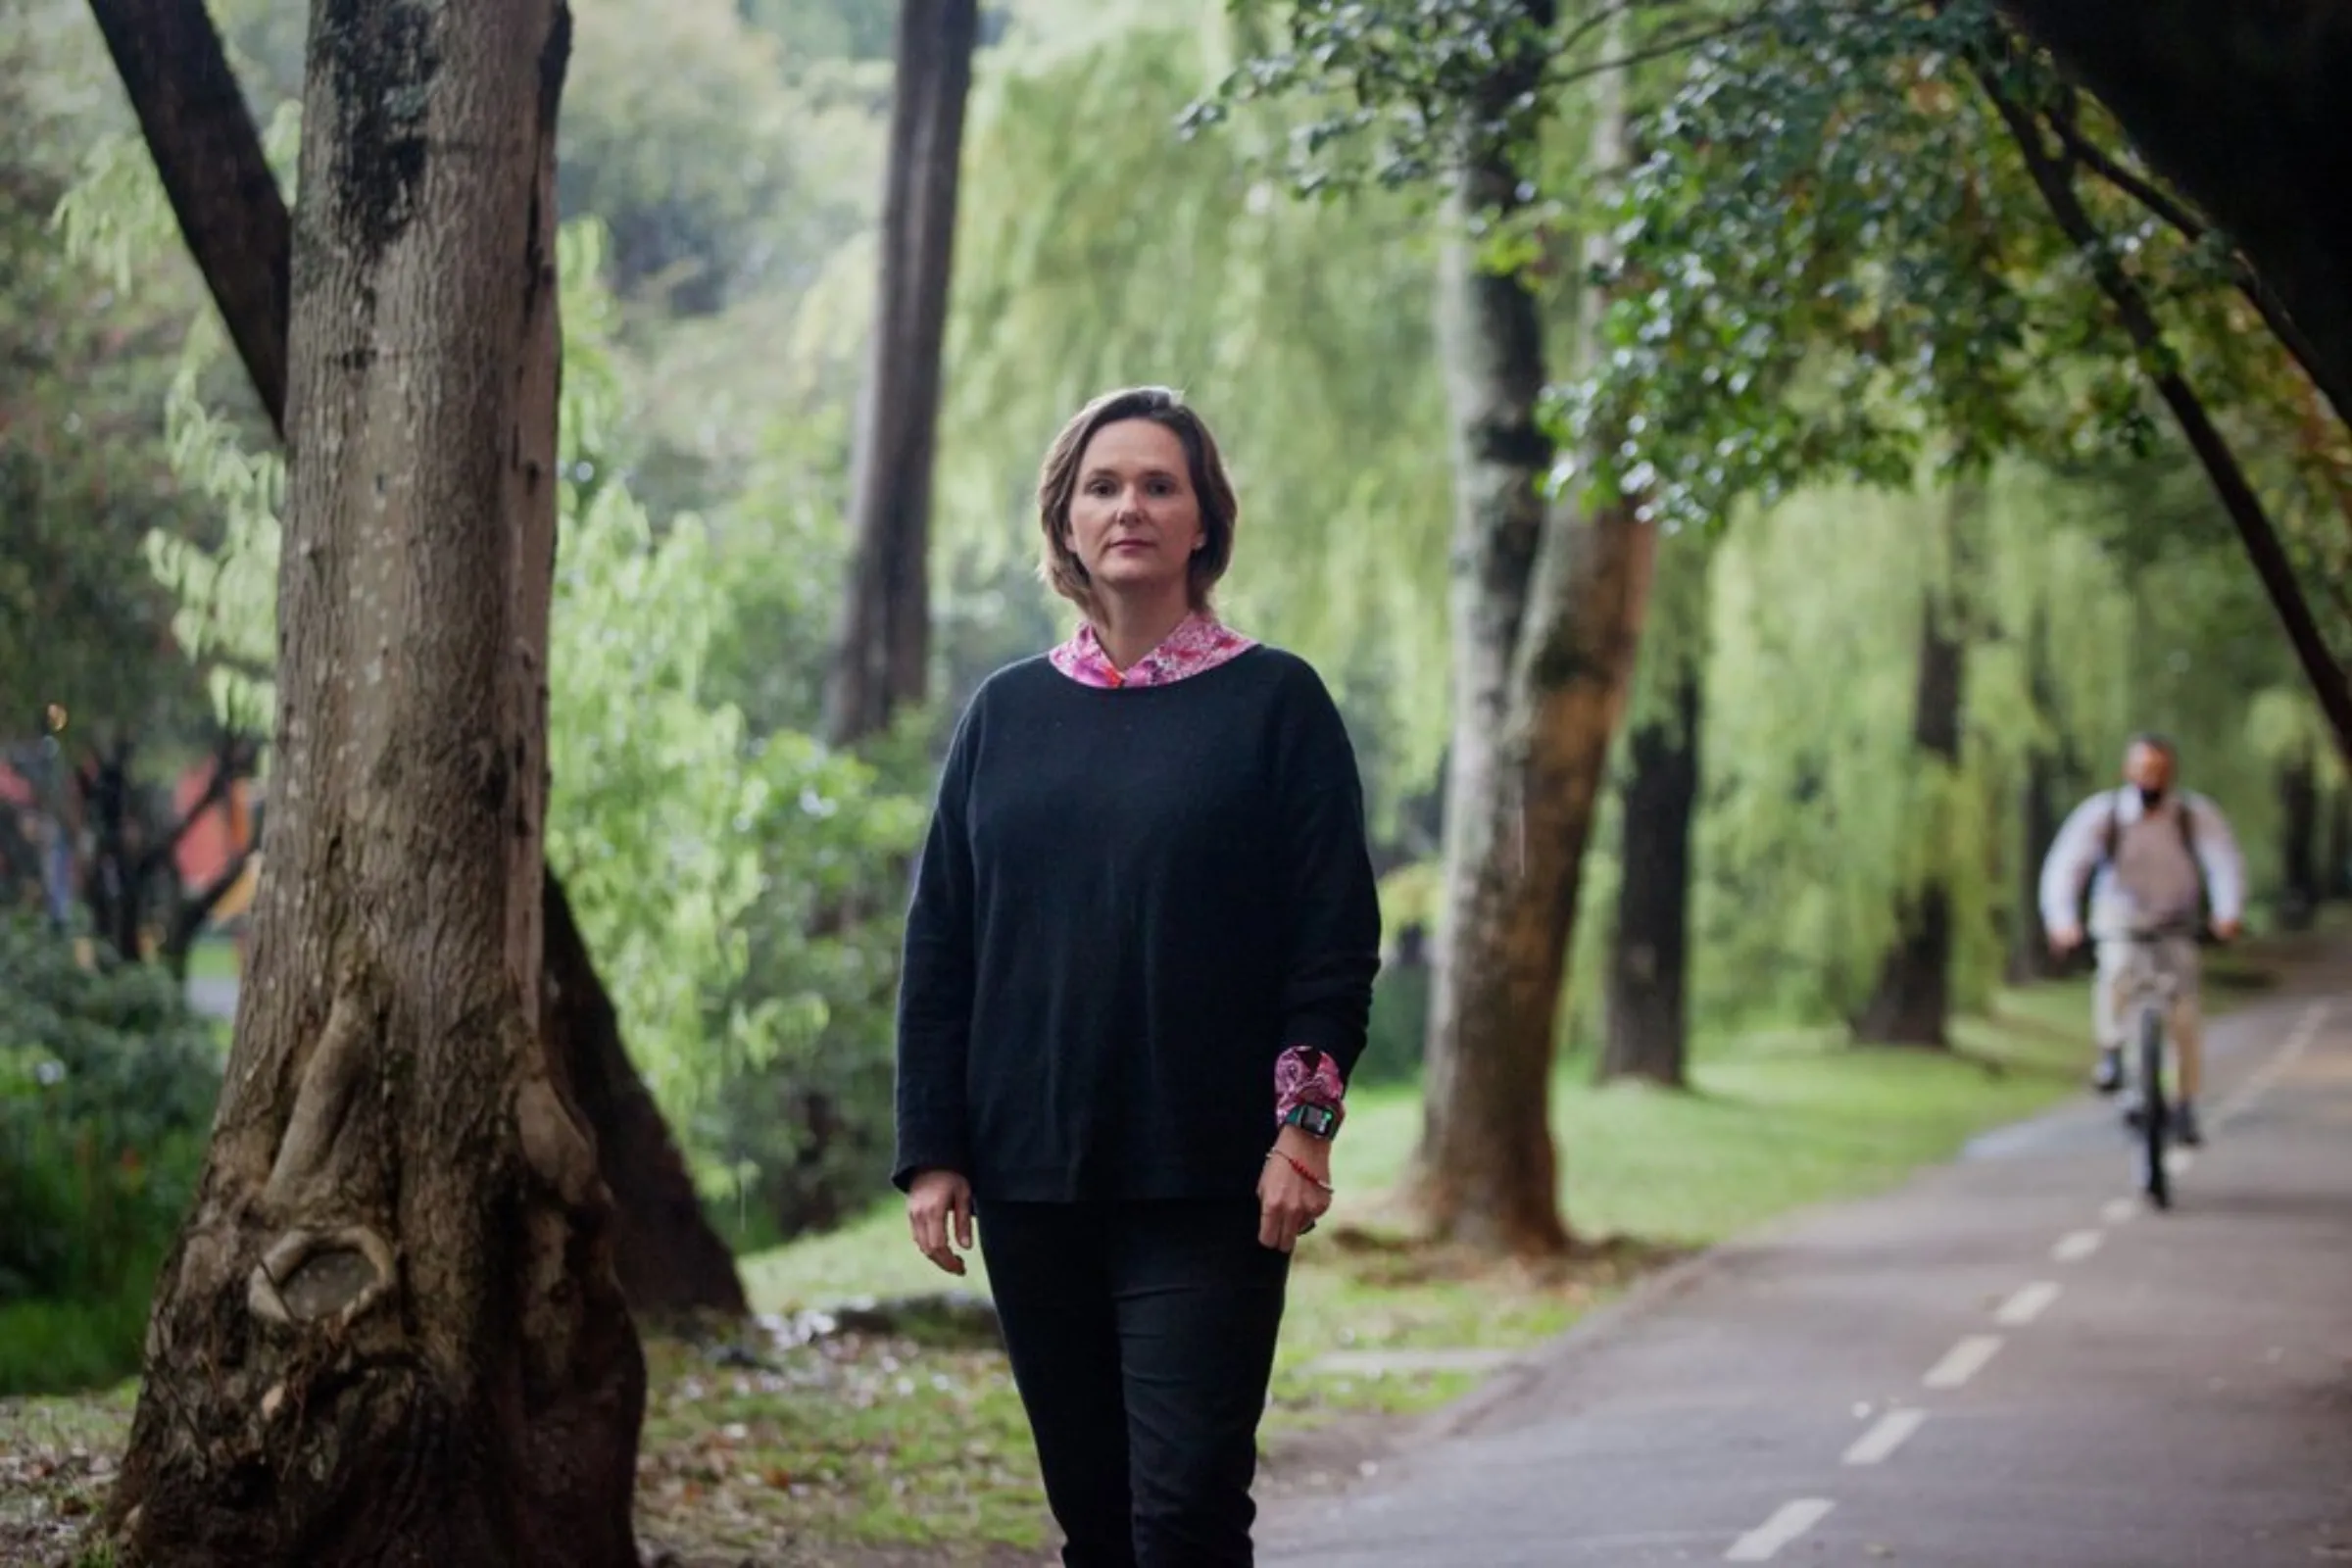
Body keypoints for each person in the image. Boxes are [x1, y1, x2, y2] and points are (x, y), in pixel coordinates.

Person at [892, 385, 1383, 1567]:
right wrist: (935, 1148)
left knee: (1187, 1513)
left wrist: (1304, 1131)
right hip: (1031, 1180)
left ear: (1203, 521)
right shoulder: (1003, 715)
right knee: (1098, 1522)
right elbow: (943, 941)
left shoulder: (1278, 704)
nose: (1131, 508)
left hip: (1211, 1183)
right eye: (1103, 486)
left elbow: (1332, 940)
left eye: (1160, 485)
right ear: (1065, 522)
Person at [2037, 732, 2245, 1147]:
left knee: (2185, 1014)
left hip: (2176, 920)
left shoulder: (2192, 814)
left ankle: (2186, 1104)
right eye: (2144, 768)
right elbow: (2066, 867)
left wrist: (2227, 914)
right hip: (2121, 917)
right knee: (2116, 972)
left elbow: (2224, 861)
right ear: (2129, 771)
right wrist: (2062, 921)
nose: (2152, 778)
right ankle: (2112, 1053)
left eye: (2160, 770)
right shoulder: (2104, 814)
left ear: (2172, 772)